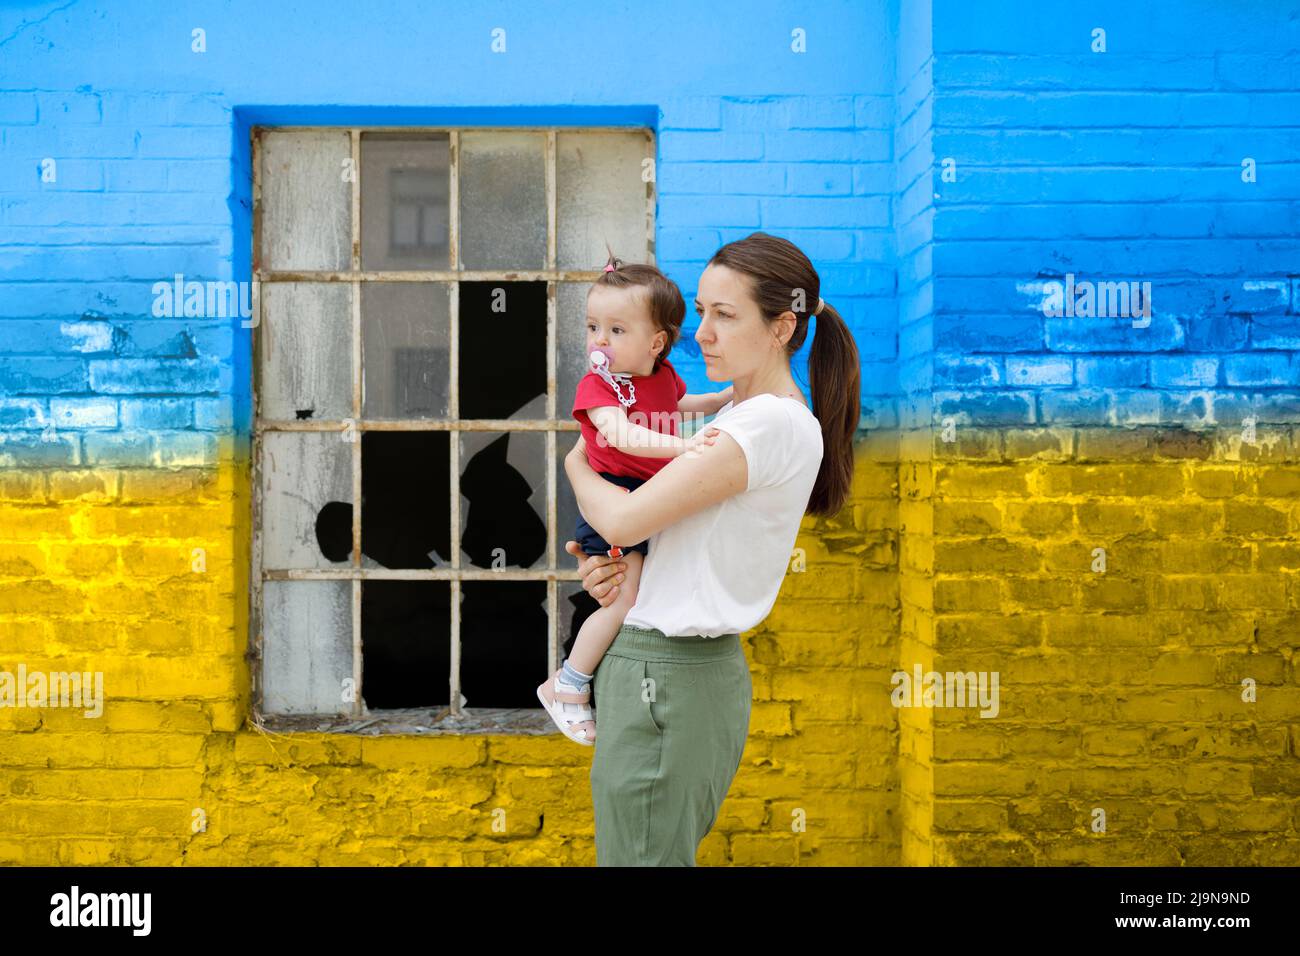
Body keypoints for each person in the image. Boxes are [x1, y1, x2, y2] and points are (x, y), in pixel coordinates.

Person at [562, 231, 862, 865]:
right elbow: (647, 536)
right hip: (666, 670)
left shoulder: (766, 423)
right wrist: (610, 571)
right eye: (700, 312)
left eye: (724, 315)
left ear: (783, 326)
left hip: (665, 672)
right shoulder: (742, 417)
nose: (701, 333)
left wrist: (575, 463)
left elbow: (619, 516)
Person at [537, 252, 732, 745]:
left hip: (649, 496)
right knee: (621, 600)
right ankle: (569, 683)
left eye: (616, 330)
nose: (599, 341)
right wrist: (684, 445)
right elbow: (621, 435)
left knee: (635, 588)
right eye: (592, 327)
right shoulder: (596, 386)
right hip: (615, 496)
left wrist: (717, 401)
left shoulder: (660, 378)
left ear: (657, 342)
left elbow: (677, 403)